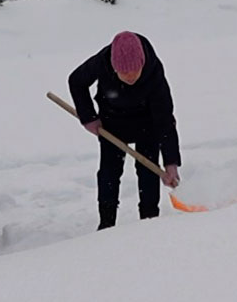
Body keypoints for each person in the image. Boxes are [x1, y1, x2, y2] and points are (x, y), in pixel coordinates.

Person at [69, 31, 181, 229]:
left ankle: (149, 220)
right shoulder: (102, 61)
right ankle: (106, 222)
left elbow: (164, 119)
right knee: (109, 174)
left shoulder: (154, 72)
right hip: (112, 125)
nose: (130, 77)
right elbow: (77, 81)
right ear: (113, 67)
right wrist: (89, 118)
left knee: (148, 172)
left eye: (134, 71)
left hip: (148, 124)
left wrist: (171, 162)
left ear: (142, 64)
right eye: (124, 72)